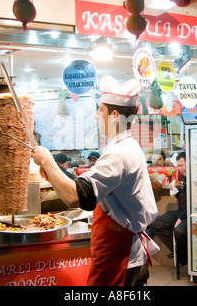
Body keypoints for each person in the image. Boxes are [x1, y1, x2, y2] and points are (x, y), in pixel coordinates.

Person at [32, 75, 159, 286]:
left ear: (115, 115)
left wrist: (47, 160)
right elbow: (84, 185)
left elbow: (76, 197)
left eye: (100, 109)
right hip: (120, 254)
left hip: (121, 258)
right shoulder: (124, 147)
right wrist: (52, 171)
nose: (95, 115)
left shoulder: (120, 154)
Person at [149, 152, 187, 265]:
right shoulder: (182, 177)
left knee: (179, 230)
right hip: (180, 211)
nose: (180, 169)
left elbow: (191, 204)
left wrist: (180, 218)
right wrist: (174, 190)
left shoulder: (193, 178)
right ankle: (178, 252)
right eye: (178, 166)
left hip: (188, 214)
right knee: (156, 223)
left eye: (182, 166)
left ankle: (184, 255)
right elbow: (181, 198)